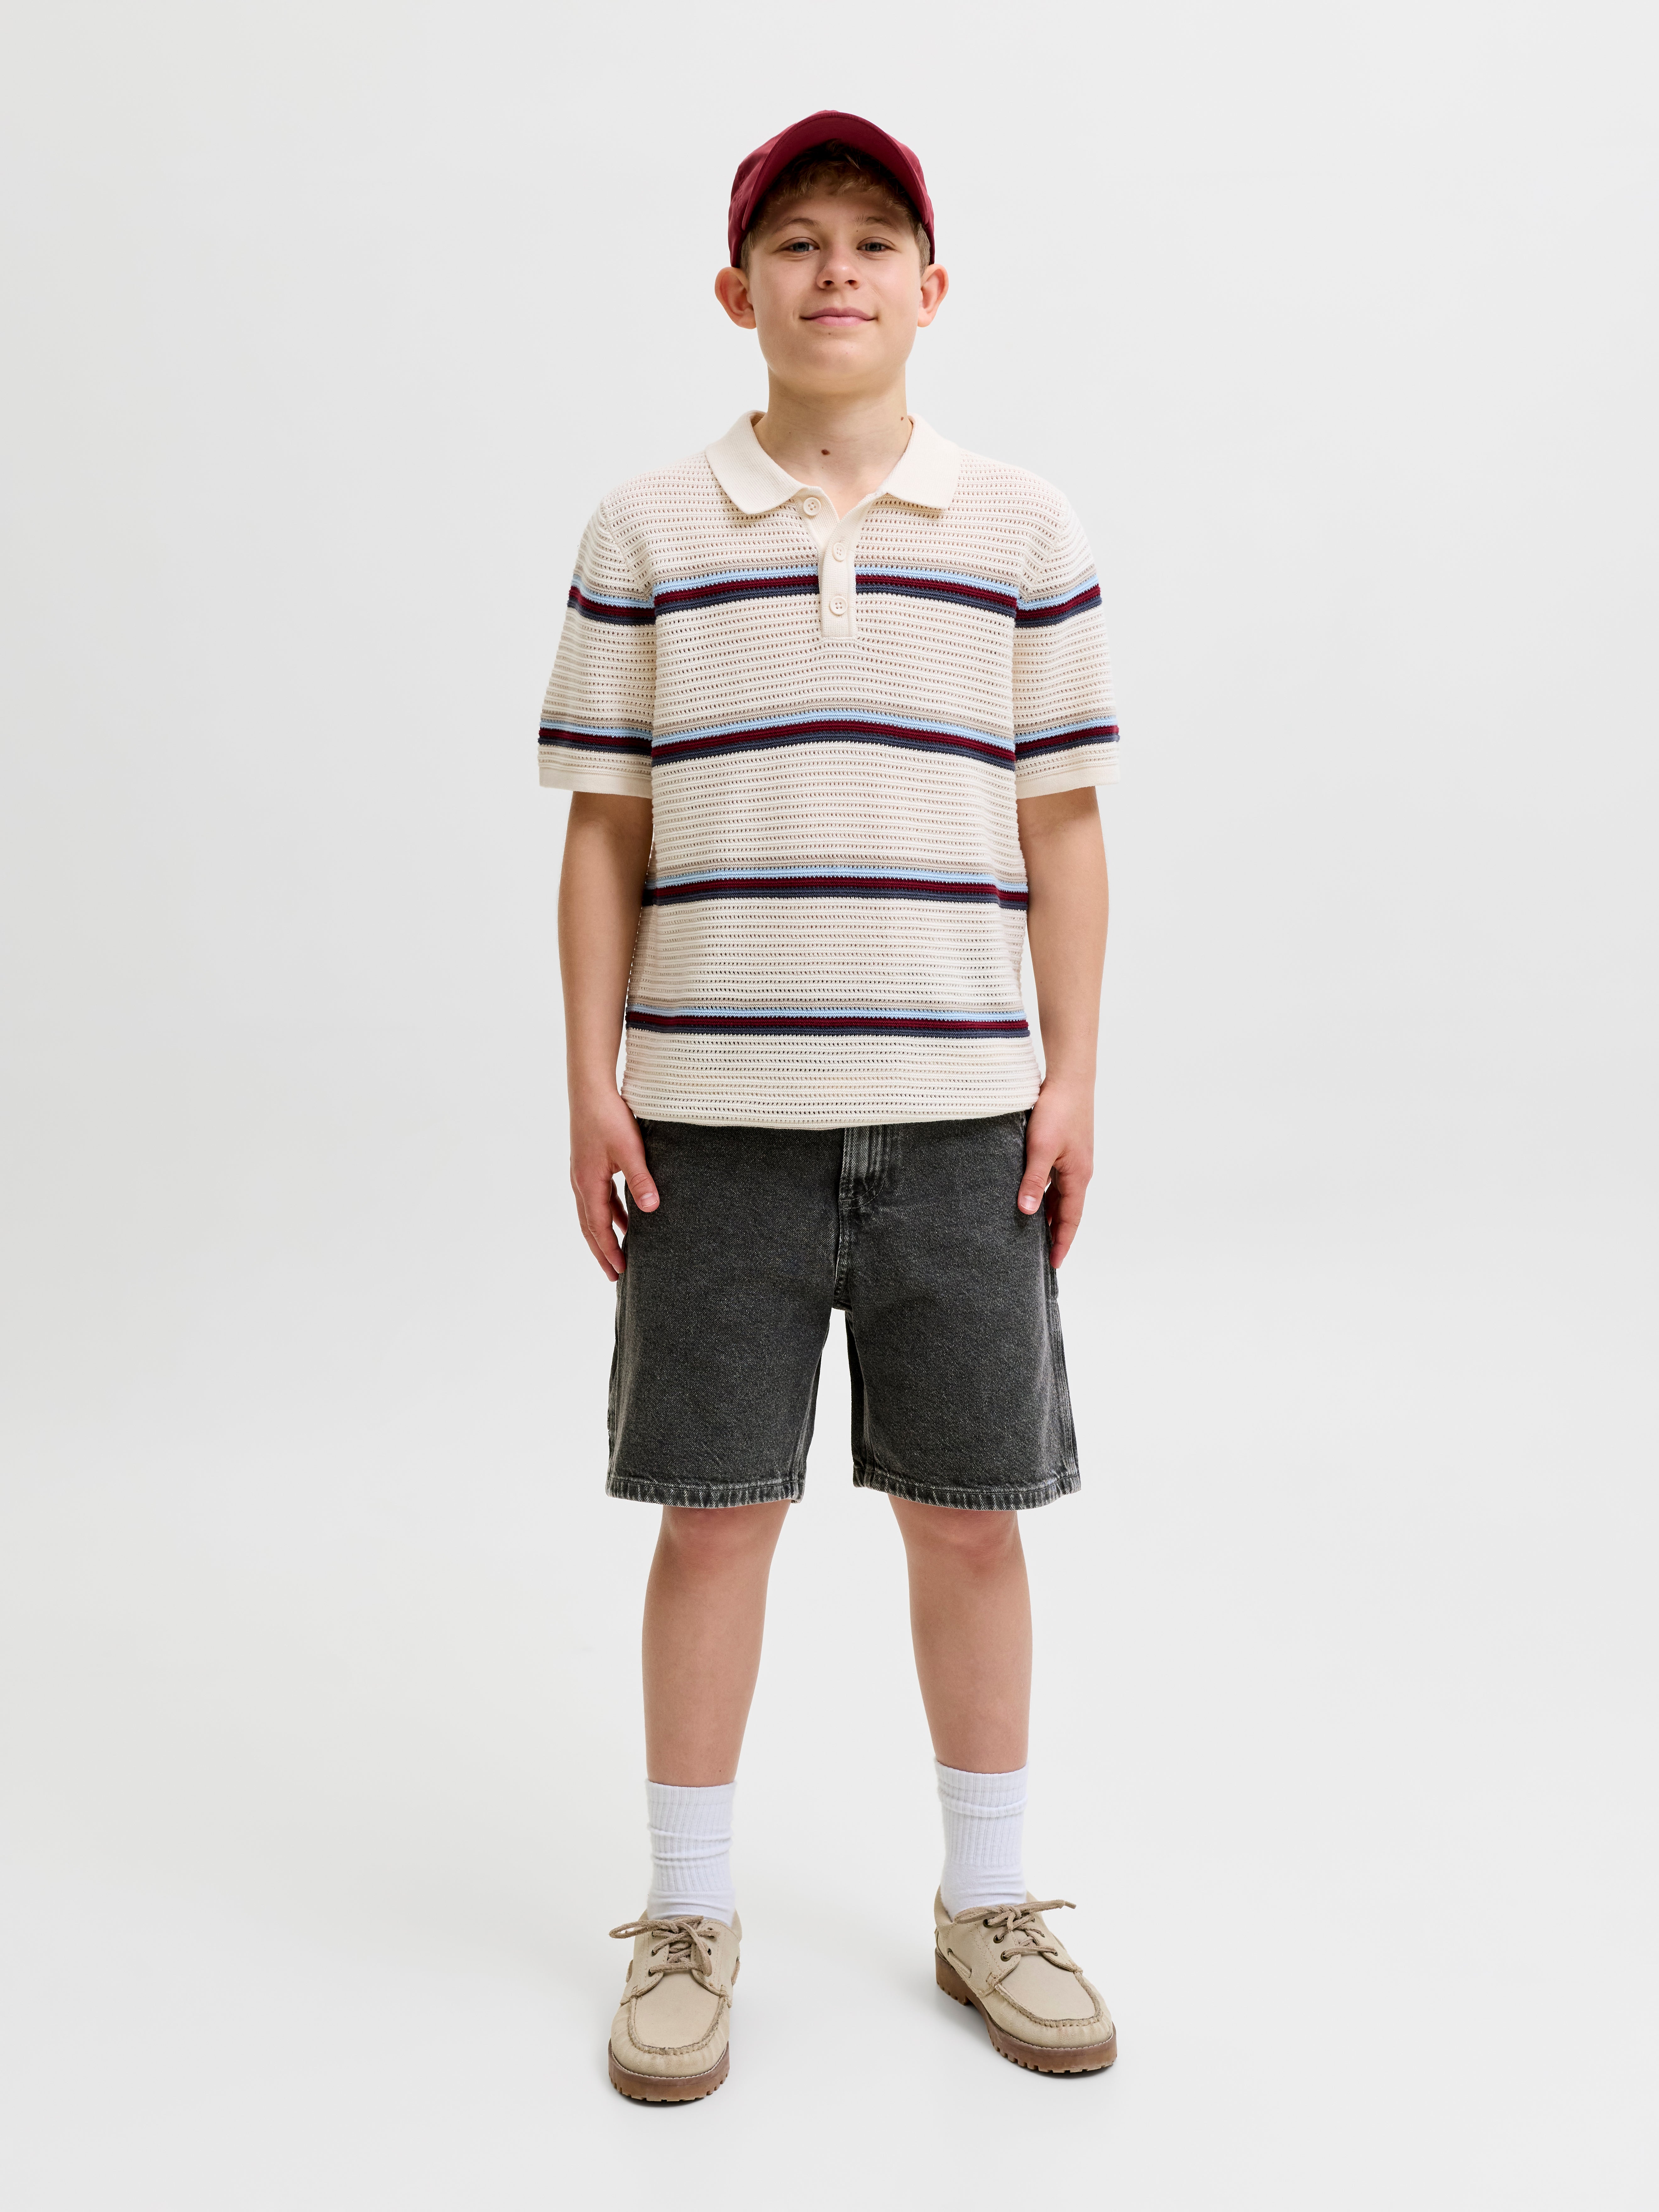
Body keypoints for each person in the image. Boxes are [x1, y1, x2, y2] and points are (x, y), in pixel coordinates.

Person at [540, 110, 1120, 2100]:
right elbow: (604, 833)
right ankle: (688, 1915)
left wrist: (1074, 1077)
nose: (838, 270)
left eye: (876, 240)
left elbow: (1064, 826)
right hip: (713, 1125)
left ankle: (992, 1901)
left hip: (964, 1125)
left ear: (932, 289)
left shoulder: (1022, 531)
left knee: (973, 1524)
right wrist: (592, 1085)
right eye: (797, 242)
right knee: (714, 1527)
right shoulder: (646, 534)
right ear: (740, 292)